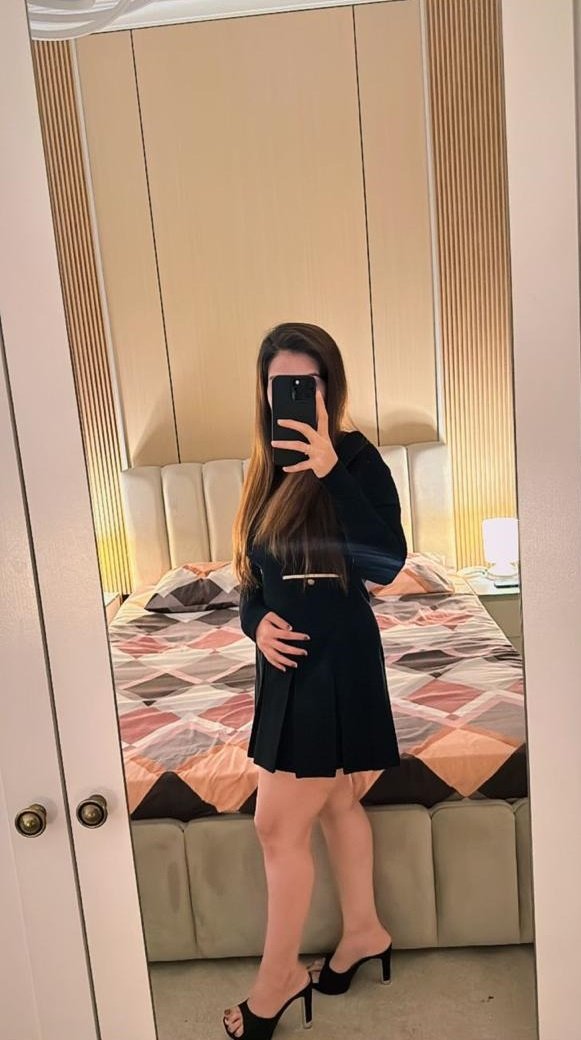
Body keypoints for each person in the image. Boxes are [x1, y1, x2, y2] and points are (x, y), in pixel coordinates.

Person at [224, 322, 407, 1040]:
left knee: (275, 826)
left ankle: (276, 982)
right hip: (286, 670)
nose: (296, 397)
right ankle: (363, 931)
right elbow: (251, 574)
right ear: (265, 392)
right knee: (333, 803)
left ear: (330, 386)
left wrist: (331, 470)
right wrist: (254, 622)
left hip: (339, 661)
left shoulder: (356, 460)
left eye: (309, 383)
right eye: (282, 386)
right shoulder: (264, 466)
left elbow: (385, 564)